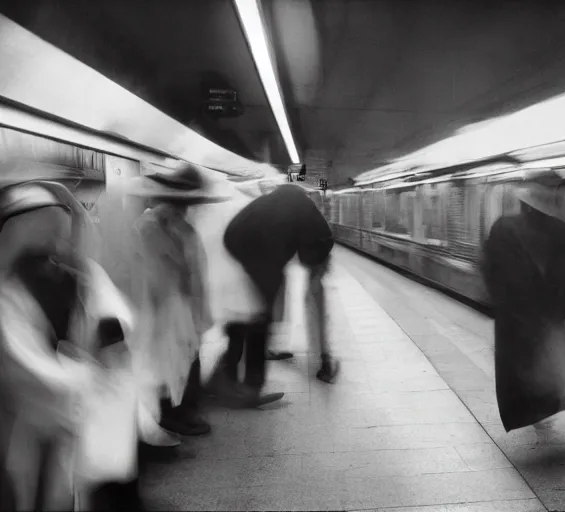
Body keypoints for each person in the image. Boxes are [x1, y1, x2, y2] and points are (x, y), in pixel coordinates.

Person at [0, 180, 141, 510]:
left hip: (84, 409)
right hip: (36, 415)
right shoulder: (9, 291)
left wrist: (110, 333)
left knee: (85, 481)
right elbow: (23, 355)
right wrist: (85, 374)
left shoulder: (82, 273)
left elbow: (112, 311)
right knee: (39, 488)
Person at [208, 181, 339, 408]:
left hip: (238, 261)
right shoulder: (304, 208)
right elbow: (316, 251)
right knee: (260, 323)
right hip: (263, 267)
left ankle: (223, 378)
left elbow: (232, 233)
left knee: (241, 322)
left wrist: (246, 263)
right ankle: (250, 388)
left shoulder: (264, 203)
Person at [480, 172, 565, 435]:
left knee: (519, 371)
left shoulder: (502, 228)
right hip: (545, 318)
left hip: (514, 319)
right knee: (545, 369)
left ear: (523, 203)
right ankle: (542, 412)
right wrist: (562, 313)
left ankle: (531, 414)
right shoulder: (558, 229)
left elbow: (489, 271)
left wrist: (501, 308)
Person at [126, 163, 227, 436]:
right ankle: (173, 414)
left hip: (182, 304)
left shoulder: (181, 226)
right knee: (166, 362)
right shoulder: (149, 226)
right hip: (163, 305)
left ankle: (183, 409)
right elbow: (154, 270)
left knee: (187, 357)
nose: (189, 208)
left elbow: (194, 270)